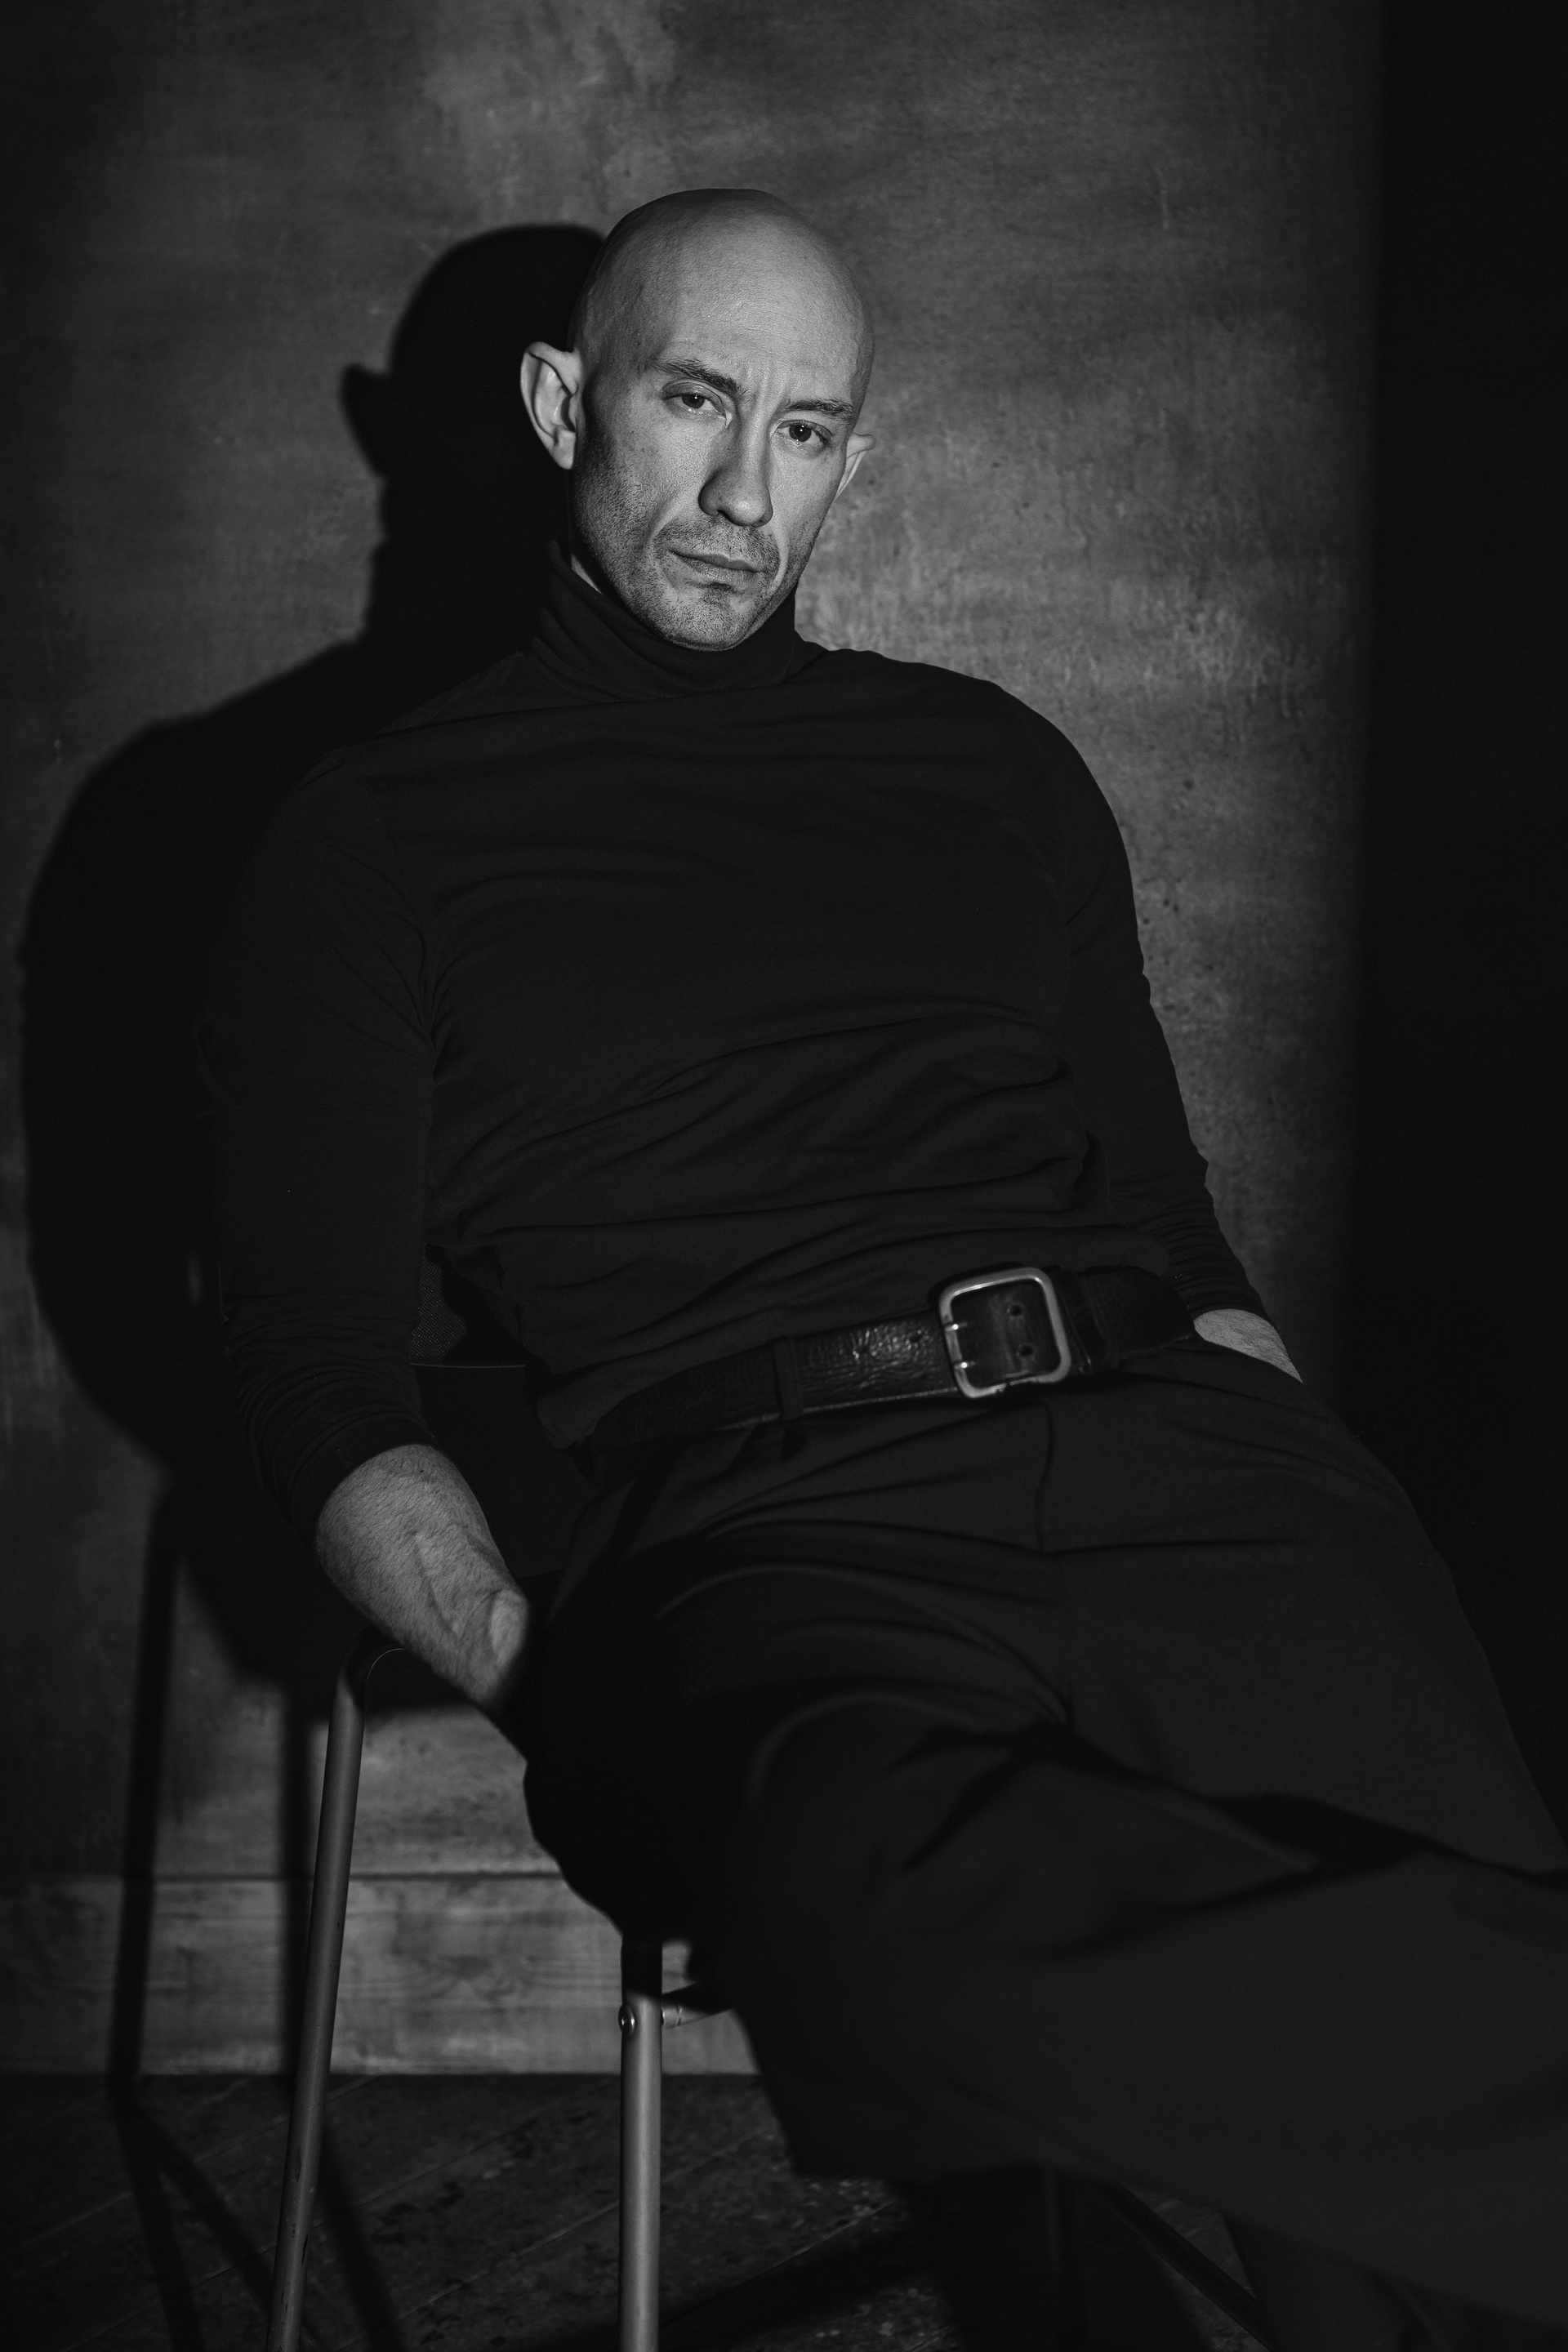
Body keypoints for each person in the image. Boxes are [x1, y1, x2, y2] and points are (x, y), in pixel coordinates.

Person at [200, 189, 1568, 2347]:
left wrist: (1294, 1487)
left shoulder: (994, 767)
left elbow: (1172, 1230)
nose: (750, 495)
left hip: (1180, 1450)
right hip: (766, 1522)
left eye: (811, 430)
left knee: (1427, 1944)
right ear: (564, 403)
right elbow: (317, 1374)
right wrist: (554, 1678)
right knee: (859, 1916)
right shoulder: (374, 837)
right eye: (696, 402)